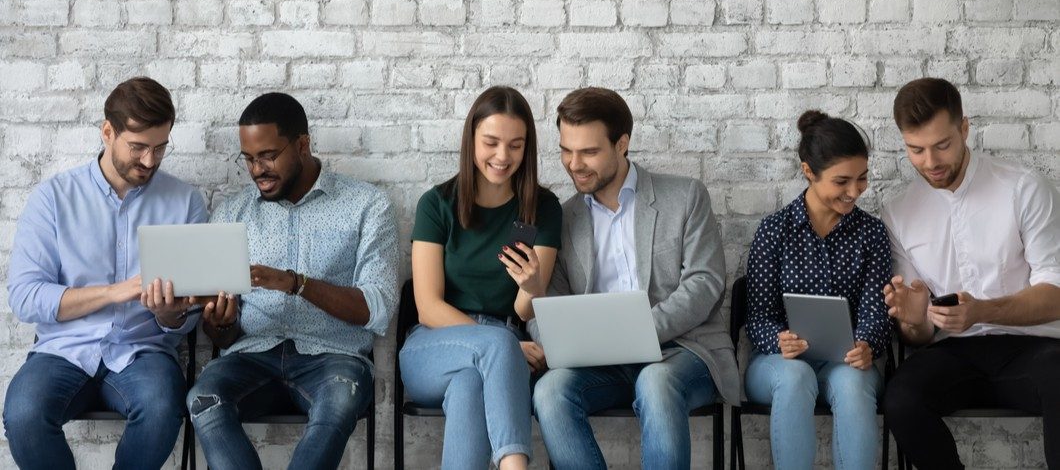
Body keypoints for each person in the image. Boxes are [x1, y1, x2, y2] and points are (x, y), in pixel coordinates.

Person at [185, 92, 399, 470]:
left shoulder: (366, 205)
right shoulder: (233, 212)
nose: (256, 170)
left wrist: (296, 283)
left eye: (268, 156)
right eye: (248, 159)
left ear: (302, 145)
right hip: (250, 355)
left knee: (339, 404)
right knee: (203, 397)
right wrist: (221, 323)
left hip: (333, 357)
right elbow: (222, 338)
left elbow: (378, 308)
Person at [3, 77, 207, 469]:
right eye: (138, 147)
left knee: (164, 408)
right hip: (62, 350)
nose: (150, 161)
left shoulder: (185, 203)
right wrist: (114, 292)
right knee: (24, 414)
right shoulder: (54, 198)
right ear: (107, 132)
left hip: (142, 352)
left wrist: (170, 315)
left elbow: (190, 312)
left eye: (160, 148)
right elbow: (26, 296)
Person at [531, 87, 737, 470]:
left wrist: (636, 332)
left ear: (622, 144)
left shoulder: (685, 196)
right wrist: (557, 342)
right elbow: (545, 303)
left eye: (589, 152)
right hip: (600, 362)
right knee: (550, 392)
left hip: (681, 351)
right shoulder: (563, 219)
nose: (574, 164)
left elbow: (705, 282)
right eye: (566, 150)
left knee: (655, 383)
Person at [882, 77, 1060, 469]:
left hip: (1034, 349)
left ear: (965, 129)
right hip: (953, 353)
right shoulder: (898, 213)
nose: (931, 162)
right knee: (900, 399)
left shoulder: (1024, 188)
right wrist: (913, 323)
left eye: (943, 145)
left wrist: (982, 311)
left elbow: (1056, 295)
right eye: (916, 150)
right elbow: (919, 335)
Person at [398, 86, 561, 470]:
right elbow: (428, 307)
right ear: (471, 139)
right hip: (435, 343)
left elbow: (524, 310)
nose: (503, 156)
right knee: (493, 350)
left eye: (516, 145)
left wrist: (531, 285)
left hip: (506, 342)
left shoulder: (543, 208)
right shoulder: (437, 205)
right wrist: (500, 345)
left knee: (470, 385)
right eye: (491, 142)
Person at [744, 110, 891, 470]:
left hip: (846, 363)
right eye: (842, 181)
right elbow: (759, 315)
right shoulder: (775, 231)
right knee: (795, 377)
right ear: (809, 172)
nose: (854, 191)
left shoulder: (871, 234)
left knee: (854, 384)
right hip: (779, 364)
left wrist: (866, 344)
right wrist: (779, 340)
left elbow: (876, 311)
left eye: (862, 179)